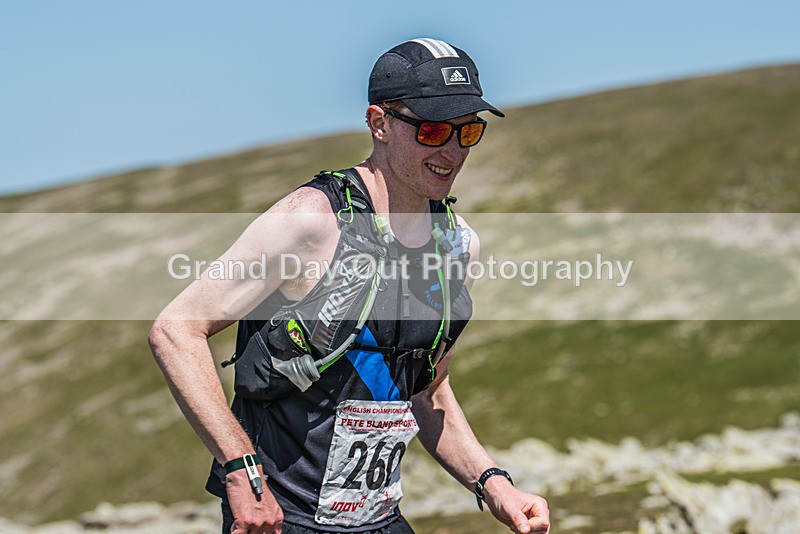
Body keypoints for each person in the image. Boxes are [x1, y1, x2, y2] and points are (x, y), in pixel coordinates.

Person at [149, 38, 550, 534]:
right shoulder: (310, 220)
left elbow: (429, 391)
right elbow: (176, 330)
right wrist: (241, 470)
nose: (452, 150)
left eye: (468, 131)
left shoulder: (457, 245)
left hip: (379, 519)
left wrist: (494, 485)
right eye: (432, 130)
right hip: (280, 518)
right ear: (379, 123)